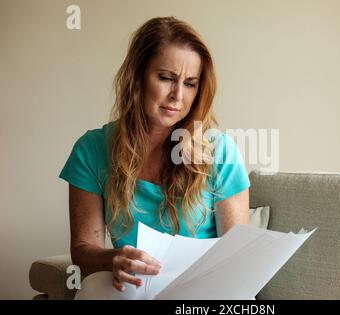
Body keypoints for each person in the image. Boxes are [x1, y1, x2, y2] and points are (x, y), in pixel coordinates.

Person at [59, 16, 250, 297]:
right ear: (137, 77)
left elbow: (236, 253)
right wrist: (113, 259)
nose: (178, 96)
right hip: (134, 287)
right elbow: (84, 250)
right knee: (97, 288)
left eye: (190, 83)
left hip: (203, 290)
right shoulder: (91, 149)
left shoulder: (218, 150)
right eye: (166, 78)